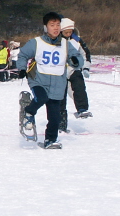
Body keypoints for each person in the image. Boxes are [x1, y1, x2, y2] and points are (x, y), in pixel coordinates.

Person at [17, 12, 84, 149]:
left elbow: (78, 58)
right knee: (41, 98)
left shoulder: (66, 44)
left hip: (58, 84)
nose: (55, 28)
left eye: (58, 25)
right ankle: (28, 112)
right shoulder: (36, 42)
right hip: (38, 80)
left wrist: (75, 61)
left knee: (55, 118)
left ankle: (50, 140)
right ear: (45, 27)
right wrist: (22, 69)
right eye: (52, 25)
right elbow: (23, 55)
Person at [59, 18, 92, 132]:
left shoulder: (77, 40)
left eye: (70, 32)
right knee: (60, 100)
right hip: (60, 73)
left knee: (79, 88)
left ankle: (82, 109)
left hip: (74, 70)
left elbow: (85, 54)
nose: (68, 34)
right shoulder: (54, 41)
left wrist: (86, 67)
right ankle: (61, 126)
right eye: (66, 32)